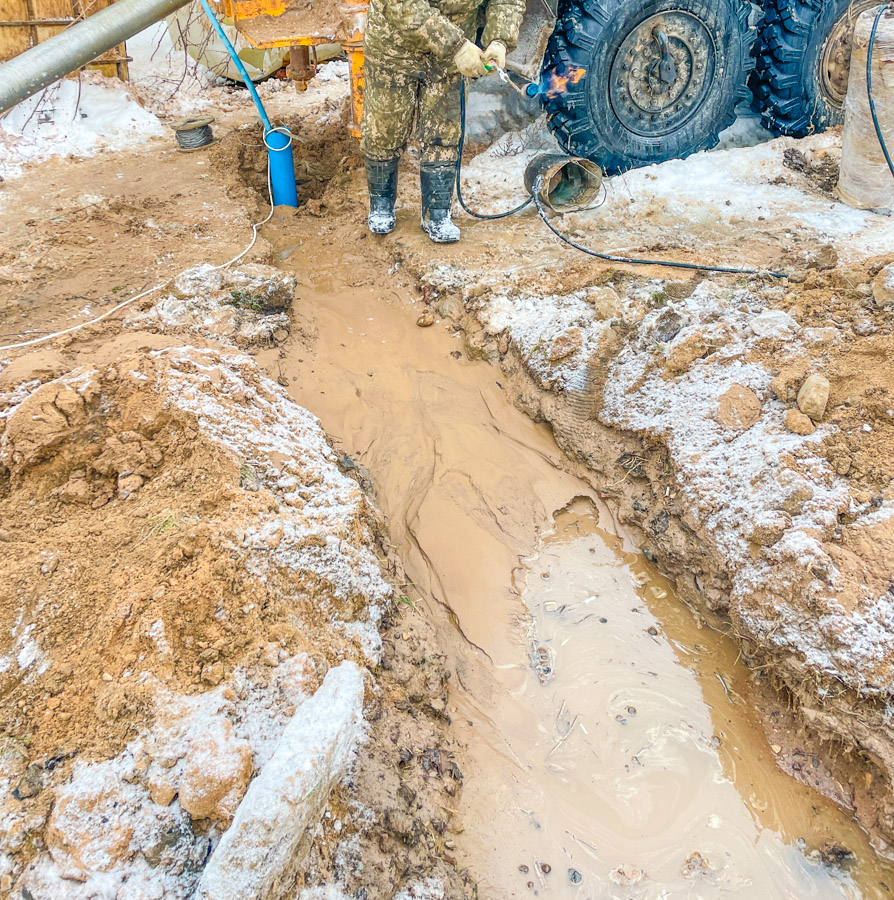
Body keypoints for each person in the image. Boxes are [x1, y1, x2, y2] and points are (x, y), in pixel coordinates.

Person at [359, 0, 525, 242]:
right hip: (394, 48)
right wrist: (455, 46)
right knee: (384, 127)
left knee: (445, 130)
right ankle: (381, 203)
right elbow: (402, 5)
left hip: (451, 58)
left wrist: (500, 40)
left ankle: (437, 212)